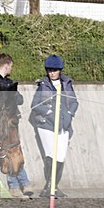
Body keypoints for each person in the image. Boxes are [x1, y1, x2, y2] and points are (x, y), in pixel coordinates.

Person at [30, 54, 79, 198]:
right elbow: (35, 105)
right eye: (49, 70)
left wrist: (70, 113)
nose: (52, 73)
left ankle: (52, 186)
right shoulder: (43, 85)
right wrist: (48, 111)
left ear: (60, 71)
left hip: (64, 125)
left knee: (61, 157)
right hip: (46, 125)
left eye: (55, 70)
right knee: (50, 155)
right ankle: (51, 187)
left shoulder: (67, 84)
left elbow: (75, 102)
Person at [0, 53, 35, 197]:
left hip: (11, 122)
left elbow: (19, 99)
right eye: (11, 66)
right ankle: (17, 185)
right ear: (6, 65)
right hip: (0, 124)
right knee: (8, 153)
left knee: (15, 153)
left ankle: (23, 183)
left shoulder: (8, 82)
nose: (11, 69)